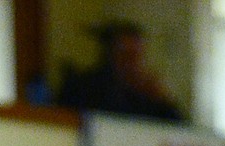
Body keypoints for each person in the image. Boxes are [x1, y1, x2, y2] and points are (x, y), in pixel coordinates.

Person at [56, 18, 185, 119]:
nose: (133, 62)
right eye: (126, 55)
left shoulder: (146, 93)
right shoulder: (82, 87)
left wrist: (163, 100)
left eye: (138, 55)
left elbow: (178, 130)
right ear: (110, 55)